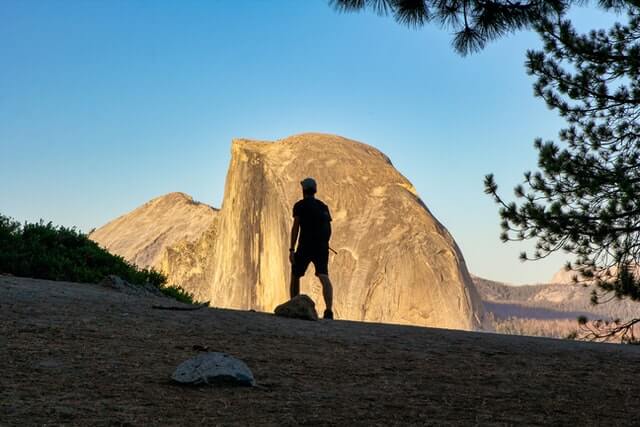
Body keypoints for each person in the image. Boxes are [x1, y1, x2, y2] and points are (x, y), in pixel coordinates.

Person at [289, 177, 334, 320]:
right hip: (322, 246)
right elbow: (329, 228)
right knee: (323, 276)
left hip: (305, 245)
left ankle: (293, 304)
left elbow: (296, 227)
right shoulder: (323, 206)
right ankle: (328, 311)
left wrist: (291, 249)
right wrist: (325, 244)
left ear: (303, 190)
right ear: (315, 190)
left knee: (296, 274)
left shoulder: (300, 206)